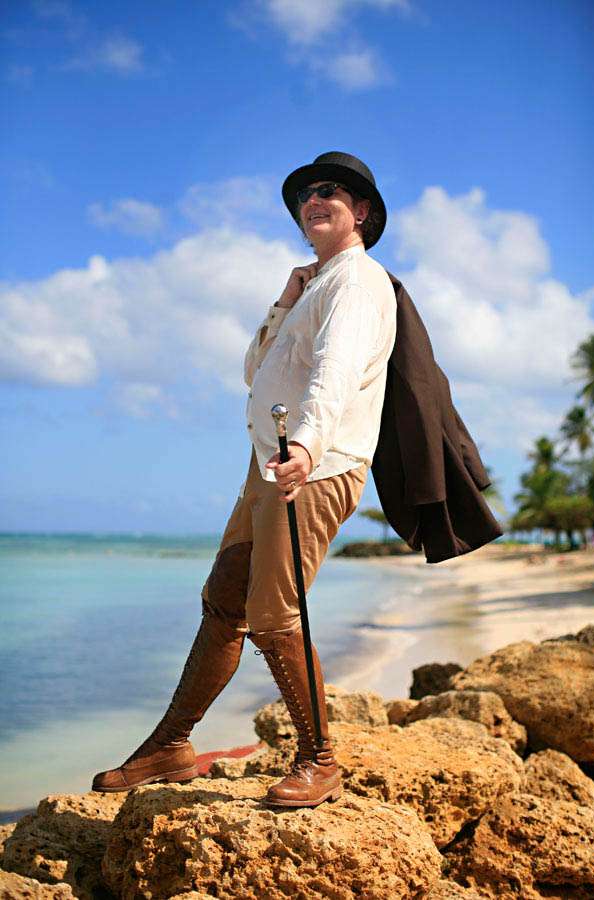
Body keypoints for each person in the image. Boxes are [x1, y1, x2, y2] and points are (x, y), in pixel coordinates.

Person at [91, 151, 397, 808]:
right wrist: (284, 302)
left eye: (330, 191)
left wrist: (308, 445)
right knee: (225, 599)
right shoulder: (314, 285)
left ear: (361, 212)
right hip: (269, 463)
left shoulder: (356, 283)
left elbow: (337, 372)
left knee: (274, 615)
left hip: (314, 466)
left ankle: (319, 761)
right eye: (305, 194)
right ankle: (170, 747)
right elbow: (254, 372)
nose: (313, 200)